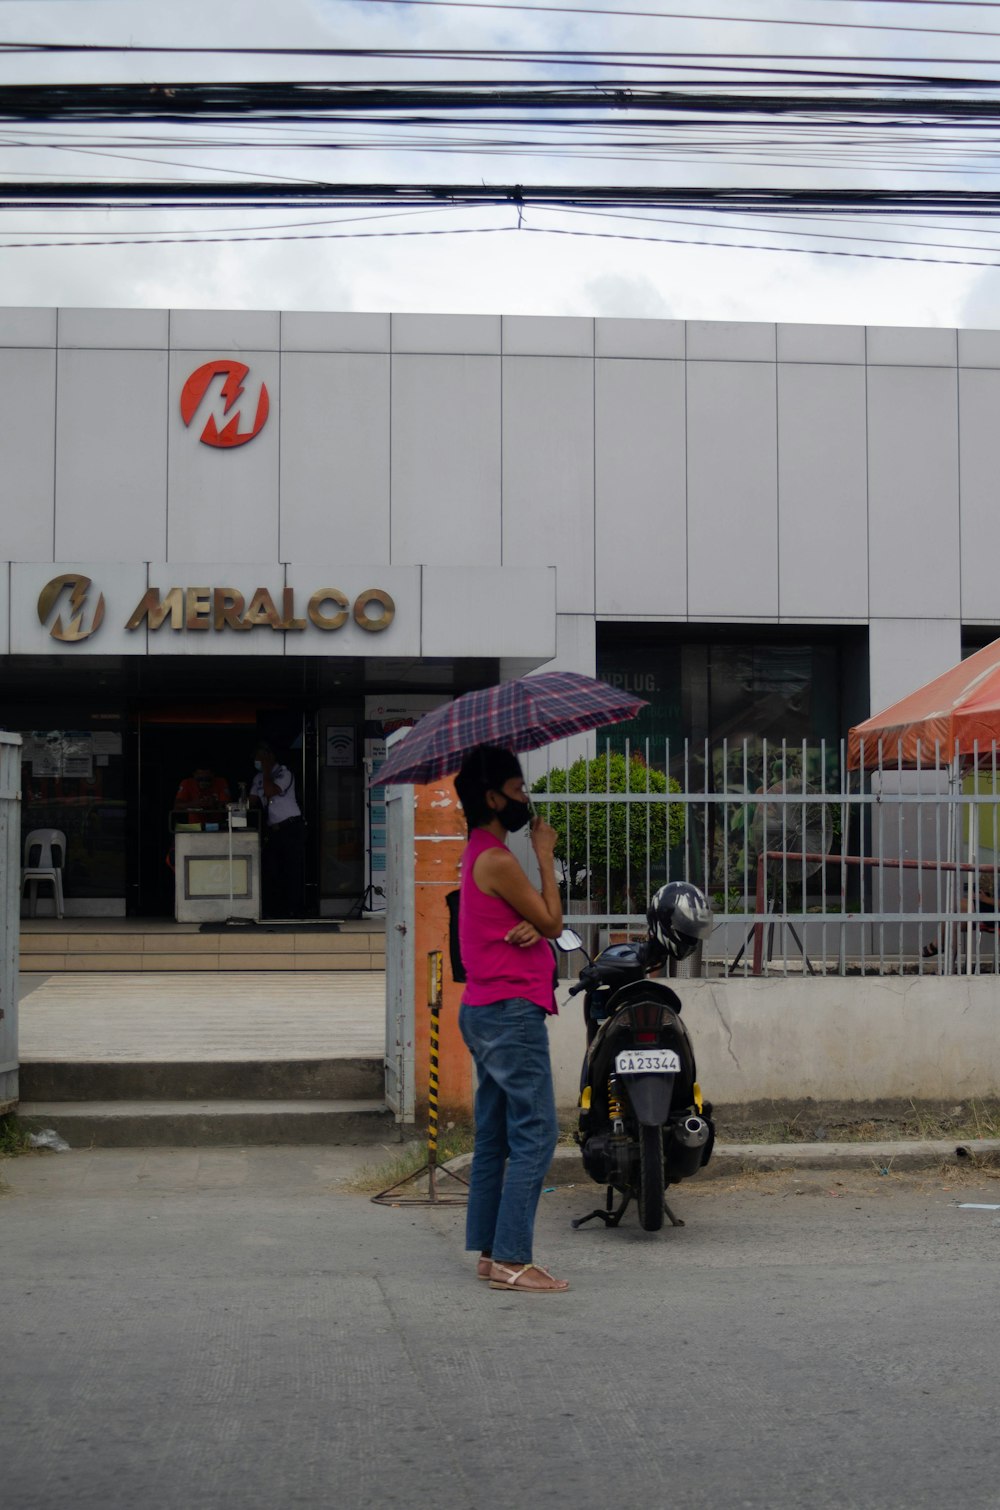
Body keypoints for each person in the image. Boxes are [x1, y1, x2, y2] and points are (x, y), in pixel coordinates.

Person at [453, 744, 568, 1295]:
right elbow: (551, 920)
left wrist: (527, 925)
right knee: (537, 1133)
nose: (526, 799)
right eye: (519, 790)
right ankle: (513, 1259)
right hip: (510, 1014)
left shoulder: (478, 850)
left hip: (484, 1010)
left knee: (496, 1134)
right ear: (492, 797)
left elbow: (529, 921)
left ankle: (489, 1252)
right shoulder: (499, 858)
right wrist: (544, 853)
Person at [249, 742, 304, 918]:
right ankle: (275, 909)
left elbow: (271, 790)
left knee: (292, 870)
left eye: (261, 757)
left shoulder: (284, 772)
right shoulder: (258, 778)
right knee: (272, 869)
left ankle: (294, 910)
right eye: (256, 758)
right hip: (274, 829)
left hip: (290, 826)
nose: (257, 761)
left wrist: (266, 771)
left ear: (270, 756)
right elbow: (252, 801)